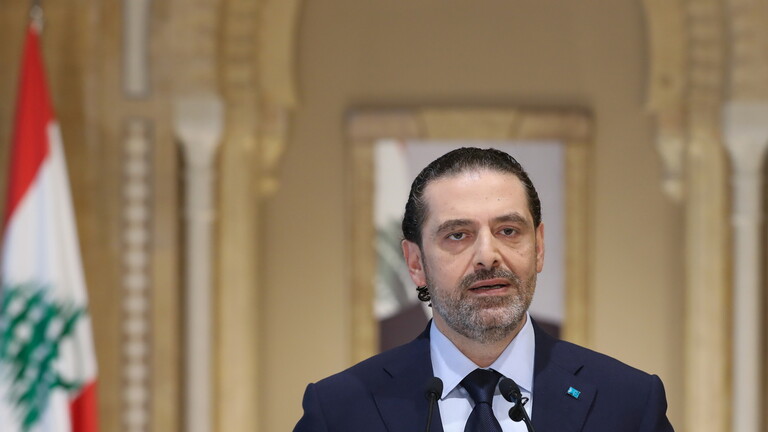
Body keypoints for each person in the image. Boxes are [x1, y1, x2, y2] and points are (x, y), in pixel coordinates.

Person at [294, 147, 674, 431]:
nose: (487, 256)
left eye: (508, 231)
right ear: (415, 263)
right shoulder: (339, 410)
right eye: (458, 235)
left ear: (539, 247)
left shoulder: (629, 402)